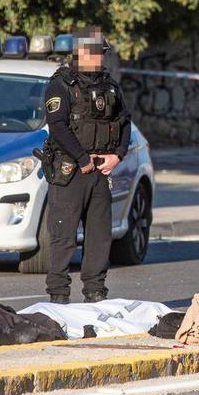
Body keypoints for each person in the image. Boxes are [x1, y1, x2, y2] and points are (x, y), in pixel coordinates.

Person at [40, 27, 131, 304]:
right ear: (80, 52)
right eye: (95, 52)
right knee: (63, 236)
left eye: (101, 53)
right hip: (71, 170)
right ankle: (58, 295)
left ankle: (95, 292)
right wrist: (82, 158)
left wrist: (118, 155)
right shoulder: (61, 85)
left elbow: (124, 121)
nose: (100, 58)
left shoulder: (109, 85)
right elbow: (57, 126)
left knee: (99, 236)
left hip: (101, 171)